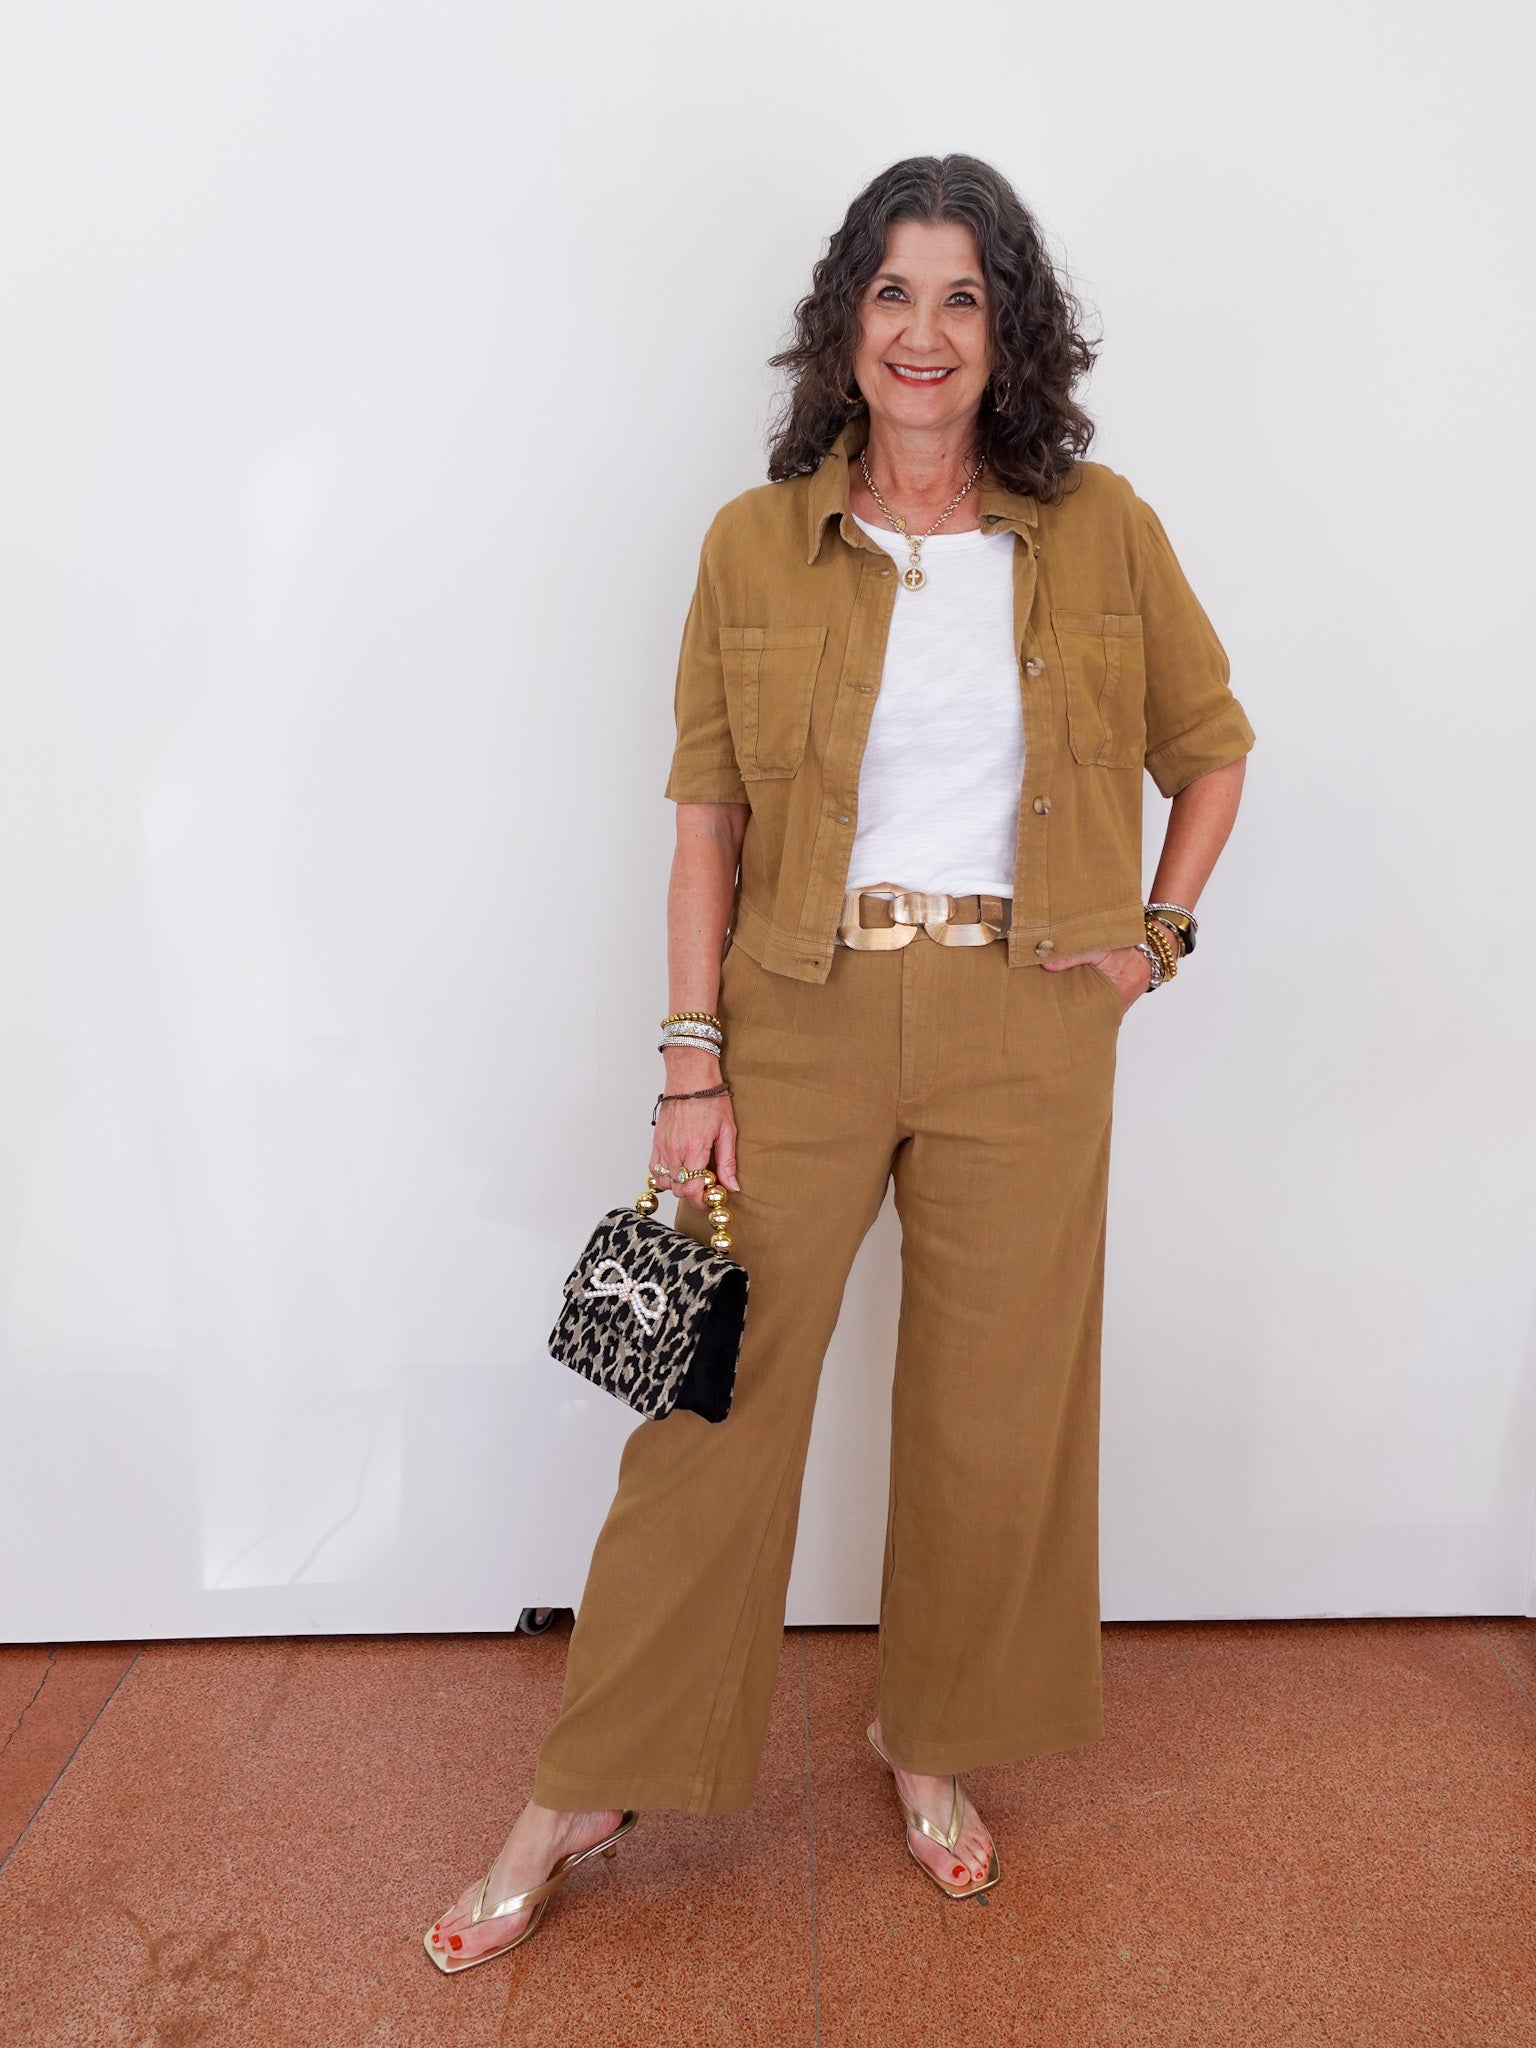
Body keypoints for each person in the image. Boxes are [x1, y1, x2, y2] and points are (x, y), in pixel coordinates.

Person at [425, 152, 1254, 1973]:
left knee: (992, 1417)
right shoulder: (754, 538)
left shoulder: (1100, 523)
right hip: (793, 1012)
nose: (927, 331)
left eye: (964, 296)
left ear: (1008, 328)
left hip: (1030, 1019)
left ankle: (931, 1744)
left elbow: (1213, 746)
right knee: (704, 1409)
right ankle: (585, 1782)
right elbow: (704, 817)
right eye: (896, 292)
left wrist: (1158, 939)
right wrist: (689, 1059)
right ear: (847, 324)